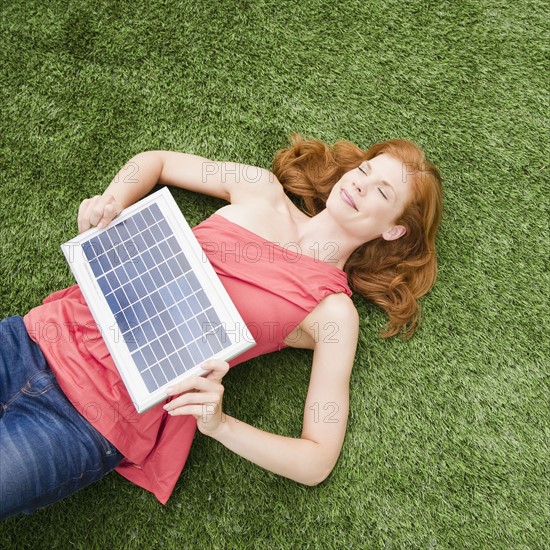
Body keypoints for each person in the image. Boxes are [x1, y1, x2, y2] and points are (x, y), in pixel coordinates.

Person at [0, 134, 442, 520]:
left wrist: (221, 424)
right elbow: (157, 161)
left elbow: (316, 460)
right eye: (365, 170)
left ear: (394, 231)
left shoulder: (333, 314)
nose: (360, 185)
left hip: (86, 421)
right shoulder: (261, 190)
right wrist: (112, 201)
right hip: (34, 336)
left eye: (382, 193)